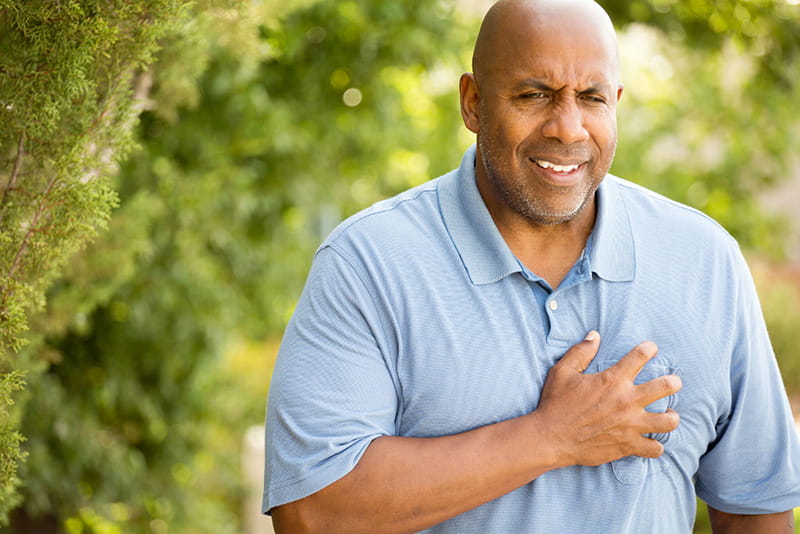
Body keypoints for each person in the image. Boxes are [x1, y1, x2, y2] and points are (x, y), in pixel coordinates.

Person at [262, 0, 800, 532]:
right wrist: (551, 437)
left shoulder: (704, 260)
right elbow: (312, 512)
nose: (568, 129)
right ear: (473, 103)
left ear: (616, 103)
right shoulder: (368, 263)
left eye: (591, 98)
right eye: (534, 95)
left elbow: (758, 505)